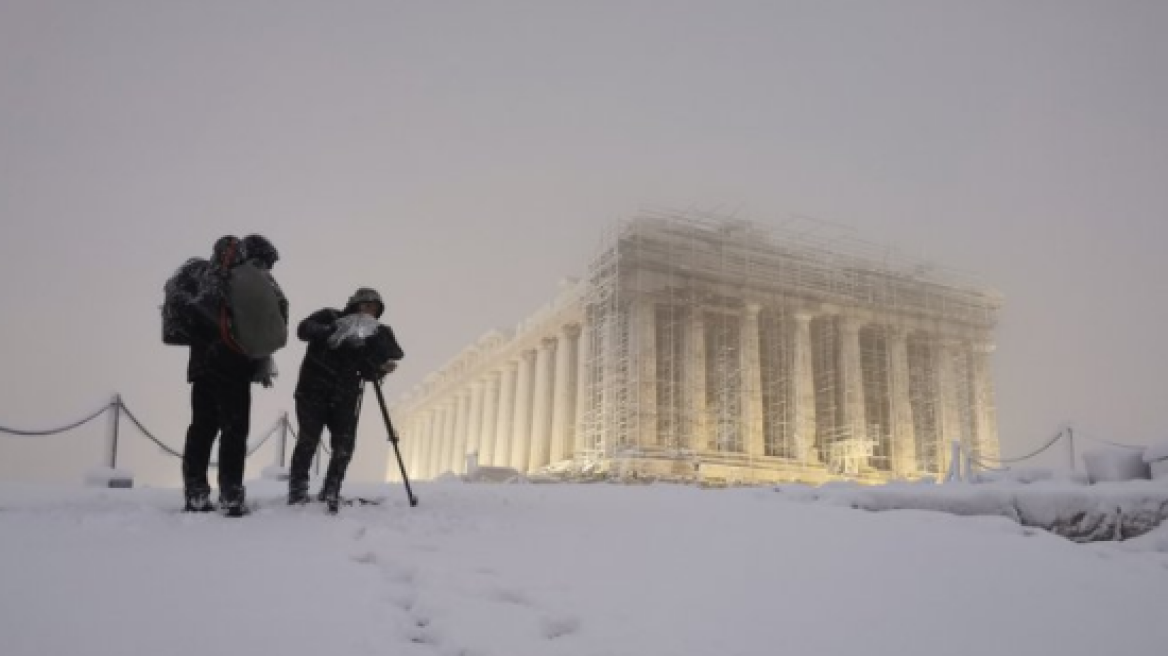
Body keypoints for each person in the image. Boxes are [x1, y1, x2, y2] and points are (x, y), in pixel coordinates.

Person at [166, 234, 284, 516]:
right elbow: (270, 324)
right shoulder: (249, 280)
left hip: (202, 365)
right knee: (234, 431)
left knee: (201, 430)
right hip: (234, 366)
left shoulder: (206, 275)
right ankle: (231, 494)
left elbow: (195, 314)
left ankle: (195, 492)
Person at [289, 287, 404, 511]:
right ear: (355, 304)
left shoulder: (370, 334)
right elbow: (303, 329)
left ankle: (332, 489)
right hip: (313, 392)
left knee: (344, 445)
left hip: (345, 396)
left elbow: (369, 370)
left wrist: (379, 366)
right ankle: (297, 491)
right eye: (367, 305)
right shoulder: (330, 316)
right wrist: (335, 332)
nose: (370, 311)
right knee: (308, 440)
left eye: (375, 309)